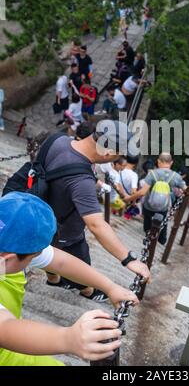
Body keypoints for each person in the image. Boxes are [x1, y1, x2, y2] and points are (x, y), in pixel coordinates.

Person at [0, 192, 138, 366]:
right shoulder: (11, 252)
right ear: (10, 259)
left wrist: (109, 287)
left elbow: (60, 262)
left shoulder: (7, 244)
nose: (38, 257)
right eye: (33, 257)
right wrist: (68, 339)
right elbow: (4, 328)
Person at [44, 121, 150, 302]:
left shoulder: (58, 140)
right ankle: (87, 291)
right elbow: (96, 225)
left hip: (44, 214)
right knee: (80, 263)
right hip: (66, 228)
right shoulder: (82, 180)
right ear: (108, 152)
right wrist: (129, 260)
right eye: (117, 156)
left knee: (51, 251)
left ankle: (54, 280)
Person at [125, 153, 186, 245]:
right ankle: (161, 241)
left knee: (147, 223)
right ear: (171, 162)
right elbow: (186, 189)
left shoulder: (152, 174)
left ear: (158, 161)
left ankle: (148, 237)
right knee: (162, 224)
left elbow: (142, 192)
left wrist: (129, 198)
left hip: (149, 205)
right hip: (163, 207)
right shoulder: (176, 176)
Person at [120, 155, 140, 220]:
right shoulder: (134, 175)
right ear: (135, 164)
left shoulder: (119, 169)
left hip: (112, 198)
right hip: (124, 201)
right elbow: (133, 192)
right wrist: (133, 203)